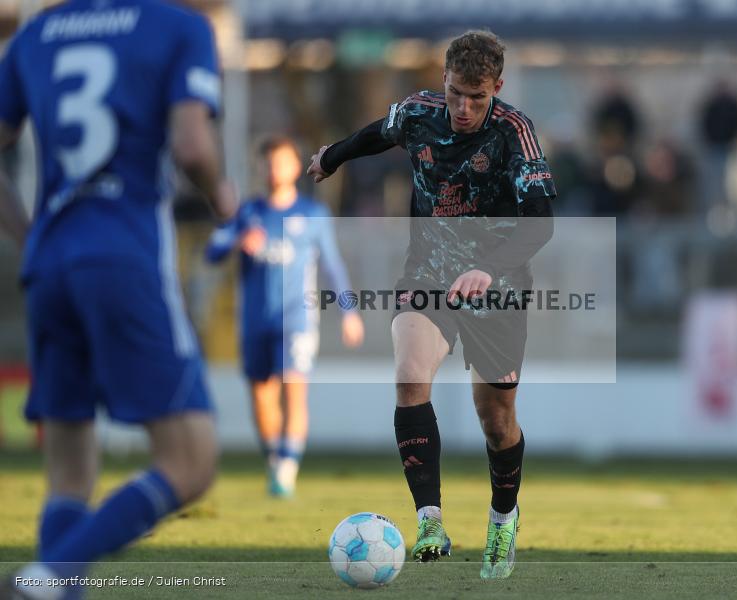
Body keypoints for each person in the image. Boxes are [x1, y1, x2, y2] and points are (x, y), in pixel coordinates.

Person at [0, 1, 236, 597]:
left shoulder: (38, 34)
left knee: (68, 474)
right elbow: (192, 147)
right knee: (191, 463)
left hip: (50, 264)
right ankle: (45, 576)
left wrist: (30, 236)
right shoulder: (179, 27)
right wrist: (226, 200)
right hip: (126, 256)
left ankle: (49, 582)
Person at [307, 30, 556, 579]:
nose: (463, 109)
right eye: (455, 95)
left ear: (497, 88)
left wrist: (488, 268)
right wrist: (334, 157)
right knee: (409, 374)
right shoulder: (419, 113)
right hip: (429, 272)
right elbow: (379, 132)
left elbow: (542, 222)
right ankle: (430, 520)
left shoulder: (516, 133)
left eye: (476, 97)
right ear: (443, 83)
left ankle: (503, 517)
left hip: (500, 288)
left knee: (497, 423)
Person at [206, 136, 364, 498]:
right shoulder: (247, 214)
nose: (275, 169)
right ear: (260, 167)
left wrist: (348, 311)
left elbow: (332, 266)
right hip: (254, 320)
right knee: (262, 397)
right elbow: (212, 252)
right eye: (269, 162)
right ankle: (277, 461)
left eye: (282, 162)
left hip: (297, 317)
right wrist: (235, 241)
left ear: (295, 167)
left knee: (293, 387)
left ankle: (287, 470)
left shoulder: (312, 214)